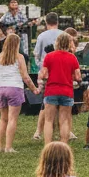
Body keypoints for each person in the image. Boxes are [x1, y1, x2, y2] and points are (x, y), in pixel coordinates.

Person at [0, 32, 39, 152]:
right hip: (14, 88)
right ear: (17, 44)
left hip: (1, 88)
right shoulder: (19, 57)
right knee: (12, 119)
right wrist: (34, 89)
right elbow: (25, 77)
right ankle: (9, 147)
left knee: (3, 119)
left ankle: (0, 146)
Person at [38, 34, 81, 146]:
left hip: (51, 90)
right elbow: (78, 77)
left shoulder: (49, 56)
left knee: (48, 120)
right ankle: (64, 145)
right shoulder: (72, 58)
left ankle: (48, 145)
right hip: (67, 91)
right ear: (68, 43)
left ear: (56, 43)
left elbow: (43, 74)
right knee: (64, 120)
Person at [31, 12, 65, 143]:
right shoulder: (64, 35)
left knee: (46, 102)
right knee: (63, 102)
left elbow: (37, 54)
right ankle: (61, 131)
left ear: (46, 22)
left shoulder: (42, 36)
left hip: (46, 73)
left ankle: (39, 131)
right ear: (57, 21)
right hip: (62, 72)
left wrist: (41, 67)